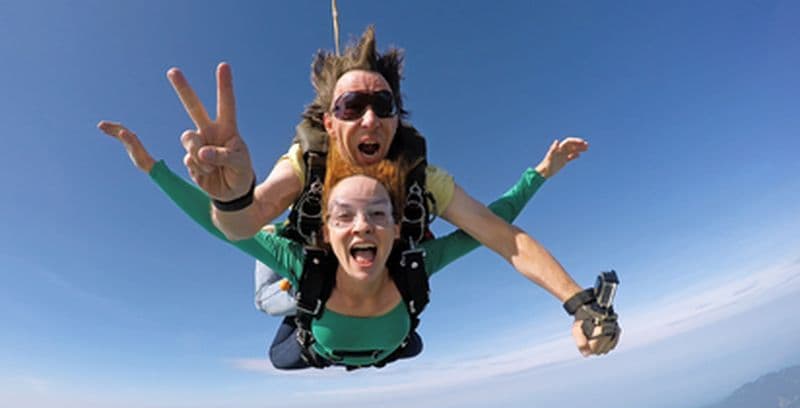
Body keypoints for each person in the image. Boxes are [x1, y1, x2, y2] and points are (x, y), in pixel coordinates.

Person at [165, 28, 602, 345]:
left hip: (385, 288)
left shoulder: (422, 179)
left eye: (382, 105)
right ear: (329, 124)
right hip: (315, 275)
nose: (369, 118)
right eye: (351, 106)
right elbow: (244, 226)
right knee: (275, 265)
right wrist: (232, 197)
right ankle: (301, 300)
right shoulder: (306, 162)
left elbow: (501, 236)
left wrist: (579, 303)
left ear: (396, 120)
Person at [98, 120, 586, 369]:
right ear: (326, 232)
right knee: (270, 273)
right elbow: (217, 226)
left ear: (397, 228)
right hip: (317, 339)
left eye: (378, 215)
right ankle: (296, 252)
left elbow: (494, 229)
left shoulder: (413, 263)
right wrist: (153, 169)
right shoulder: (307, 262)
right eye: (343, 217)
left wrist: (541, 173)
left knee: (402, 343)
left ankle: (318, 299)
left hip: (380, 342)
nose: (361, 227)